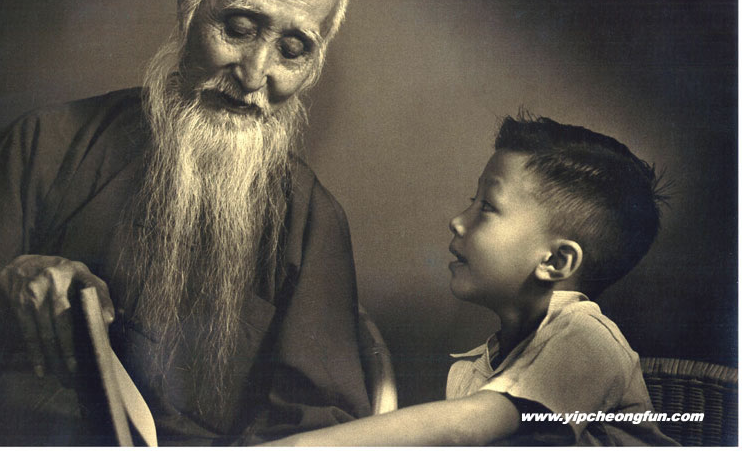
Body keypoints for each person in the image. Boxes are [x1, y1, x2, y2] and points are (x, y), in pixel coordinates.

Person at [0, 0, 371, 445]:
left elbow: (320, 424)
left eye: (292, 49)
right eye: (239, 27)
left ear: (315, 63)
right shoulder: (45, 143)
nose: (255, 72)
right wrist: (5, 288)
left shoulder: (313, 222)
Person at [265, 114, 678, 446]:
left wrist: (295, 447)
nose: (457, 221)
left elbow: (463, 428)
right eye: (471, 202)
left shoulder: (588, 339)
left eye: (487, 208)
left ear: (555, 260)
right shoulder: (491, 362)